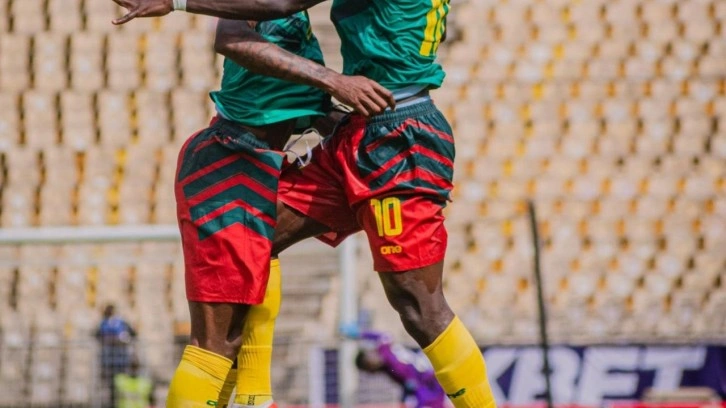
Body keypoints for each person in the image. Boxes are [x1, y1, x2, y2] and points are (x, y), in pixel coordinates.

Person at [112, 1, 497, 407]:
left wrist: (175, 2)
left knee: (418, 305)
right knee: (254, 250)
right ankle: (256, 399)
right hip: (347, 133)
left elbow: (280, 5)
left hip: (398, 139)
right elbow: (241, 32)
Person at [168, 11, 393, 408]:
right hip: (225, 164)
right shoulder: (263, 8)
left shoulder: (293, 19)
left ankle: (256, 399)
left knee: (228, 342)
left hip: (258, 164)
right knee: (213, 345)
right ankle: (256, 399)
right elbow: (230, 37)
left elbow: (318, 113)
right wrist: (334, 80)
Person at [348, 328, 448, 408]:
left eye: (369, 360)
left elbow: (385, 335)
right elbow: (413, 385)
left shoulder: (384, 349)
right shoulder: (389, 369)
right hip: (427, 380)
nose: (372, 363)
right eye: (368, 366)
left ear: (371, 352)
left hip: (428, 367)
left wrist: (361, 334)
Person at [97, 304, 137, 408]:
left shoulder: (122, 322)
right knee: (109, 386)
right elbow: (98, 336)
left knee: (121, 385)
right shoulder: (103, 323)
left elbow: (133, 334)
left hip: (121, 360)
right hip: (108, 361)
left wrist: (125, 338)